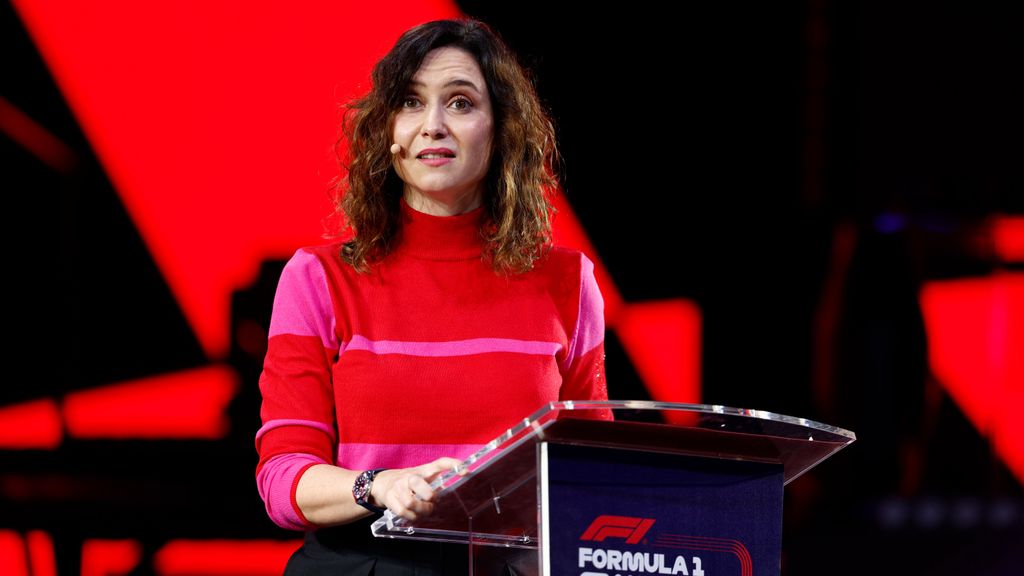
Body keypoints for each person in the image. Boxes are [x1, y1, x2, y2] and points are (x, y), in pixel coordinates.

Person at [254, 18, 609, 575]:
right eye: (411, 103)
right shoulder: (318, 279)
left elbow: (590, 474)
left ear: (501, 129)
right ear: (387, 130)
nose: (434, 125)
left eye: (461, 103)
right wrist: (382, 485)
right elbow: (283, 479)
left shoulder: (568, 283)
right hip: (364, 562)